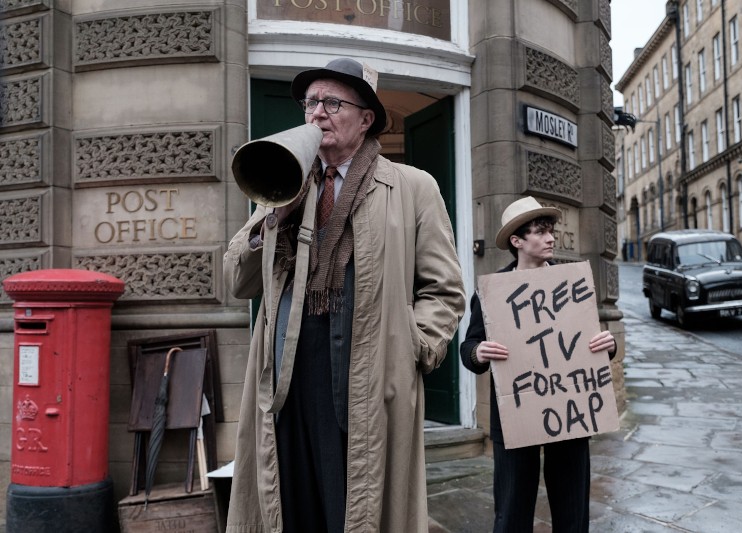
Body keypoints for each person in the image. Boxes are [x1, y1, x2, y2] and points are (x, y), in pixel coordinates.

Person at [223, 57, 465, 532]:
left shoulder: (413, 187)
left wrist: (412, 348)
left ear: (366, 117)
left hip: (369, 374)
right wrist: (274, 217)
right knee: (291, 502)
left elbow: (445, 290)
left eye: (332, 102)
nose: (317, 113)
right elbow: (238, 280)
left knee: (355, 502)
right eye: (311, 102)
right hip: (289, 373)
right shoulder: (284, 182)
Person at [460, 196, 617, 533]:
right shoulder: (493, 292)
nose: (550, 238)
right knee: (513, 507)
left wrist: (610, 344)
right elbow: (468, 348)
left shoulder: (569, 283)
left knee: (572, 506)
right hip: (516, 414)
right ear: (517, 242)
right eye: (540, 232)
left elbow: (592, 341)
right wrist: (479, 353)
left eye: (551, 231)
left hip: (569, 408)